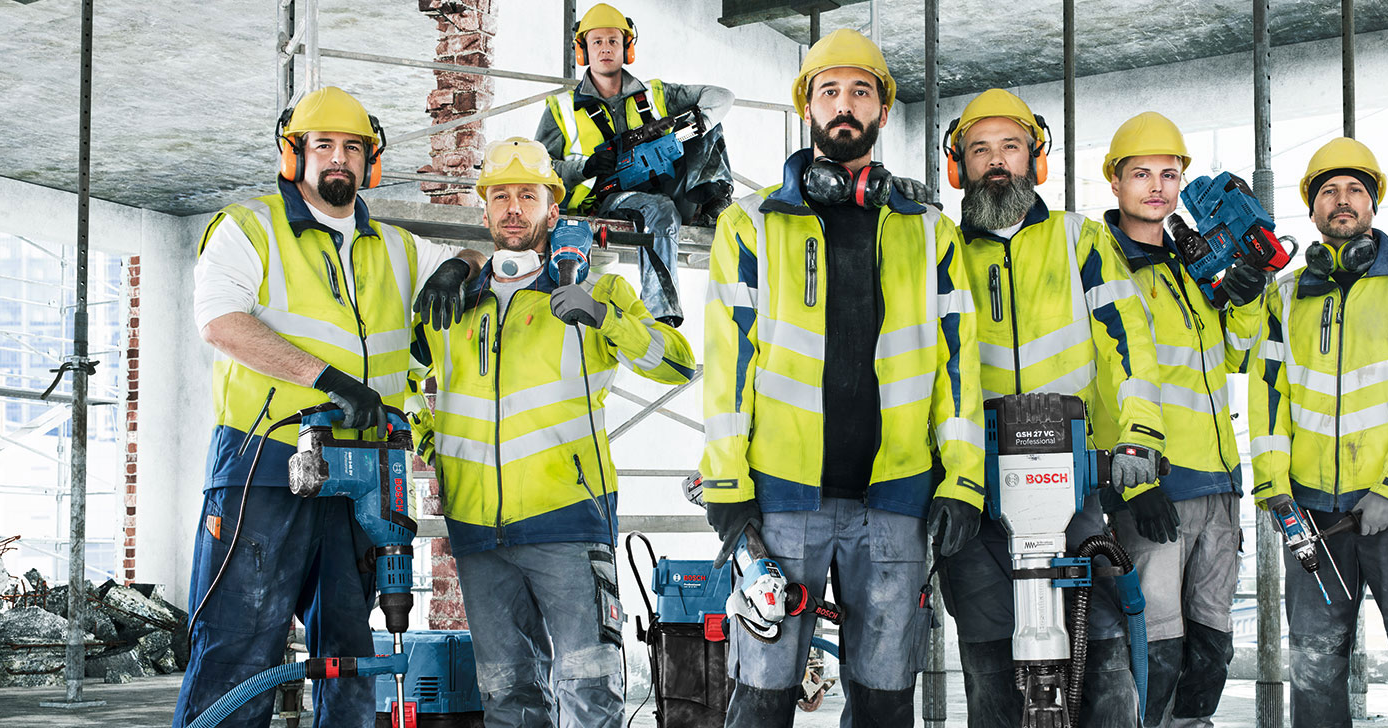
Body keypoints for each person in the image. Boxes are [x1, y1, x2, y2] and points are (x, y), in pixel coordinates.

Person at [696, 28, 983, 728]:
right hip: (783, 502)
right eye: (830, 92)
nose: (845, 105)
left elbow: (956, 365)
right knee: (761, 699)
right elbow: (727, 366)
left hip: (897, 500)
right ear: (809, 108)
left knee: (885, 702)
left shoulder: (928, 232)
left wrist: (964, 479)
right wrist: (728, 484)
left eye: (861, 91)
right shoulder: (753, 224)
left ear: (883, 111)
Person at [177, 86, 482, 727]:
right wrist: (330, 380)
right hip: (266, 459)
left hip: (365, 471)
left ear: (369, 161)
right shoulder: (248, 227)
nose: (338, 159)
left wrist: (462, 266)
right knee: (241, 643)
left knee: (350, 646)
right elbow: (222, 323)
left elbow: (470, 259)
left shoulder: (397, 247)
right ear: (295, 155)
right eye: (324, 146)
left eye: (353, 147)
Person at [413, 136, 695, 727]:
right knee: (506, 698)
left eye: (528, 195)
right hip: (476, 531)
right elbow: (412, 388)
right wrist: (427, 446)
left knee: (590, 694)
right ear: (484, 209)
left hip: (567, 522)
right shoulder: (454, 303)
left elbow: (676, 363)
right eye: (500, 197)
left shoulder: (598, 291)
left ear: (552, 208)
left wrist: (605, 318)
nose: (513, 209)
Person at [938, 88, 1169, 727]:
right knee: (989, 670)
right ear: (958, 166)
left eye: (1010, 146)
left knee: (1101, 660)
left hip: (1071, 490)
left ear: (1035, 159)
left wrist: (1139, 440)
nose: (995, 162)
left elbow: (1130, 344)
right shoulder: (940, 252)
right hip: (974, 489)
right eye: (978, 149)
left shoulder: (1081, 240)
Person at [1250, 137, 1388, 728]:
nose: (1341, 201)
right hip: (1313, 516)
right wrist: (1273, 487)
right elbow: (1268, 395)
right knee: (1315, 665)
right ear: (1313, 210)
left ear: (1372, 204)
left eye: (1354, 190)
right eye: (1328, 192)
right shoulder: (1286, 295)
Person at [1100, 111, 1271, 727]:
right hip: (1156, 488)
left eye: (1169, 175)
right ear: (1114, 183)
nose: (1156, 187)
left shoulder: (1192, 267)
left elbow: (1235, 354)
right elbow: (1103, 376)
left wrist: (1248, 295)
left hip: (1220, 485)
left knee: (1211, 652)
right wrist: (1137, 481)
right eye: (1140, 173)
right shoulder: (1103, 267)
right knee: (1156, 652)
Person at [535, 2, 736, 326]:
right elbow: (539, 170)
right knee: (658, 210)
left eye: (613, 41)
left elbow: (722, 96)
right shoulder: (561, 108)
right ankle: (661, 314)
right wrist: (585, 168)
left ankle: (712, 204)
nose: (605, 48)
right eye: (597, 41)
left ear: (626, 47)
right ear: (583, 49)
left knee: (706, 125)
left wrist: (698, 120)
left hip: (671, 185)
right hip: (609, 198)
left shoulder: (655, 94)